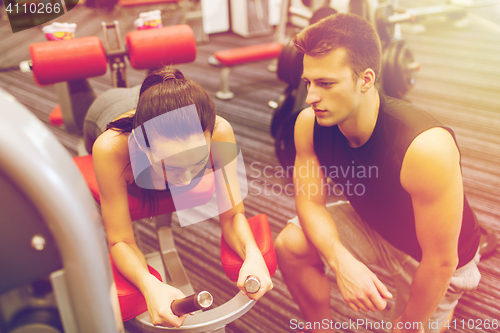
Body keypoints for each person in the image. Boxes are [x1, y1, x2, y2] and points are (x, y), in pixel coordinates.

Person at [274, 13, 481, 333]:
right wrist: (340, 260)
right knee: (292, 243)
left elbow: (441, 261)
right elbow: (310, 204)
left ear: (366, 79)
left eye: (326, 84)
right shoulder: (309, 125)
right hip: (378, 227)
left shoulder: (425, 147)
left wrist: (409, 324)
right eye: (308, 83)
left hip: (437, 258)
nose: (312, 97)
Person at [85, 67, 273, 328]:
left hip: (157, 102)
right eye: (171, 167)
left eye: (198, 163)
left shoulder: (220, 131)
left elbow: (233, 216)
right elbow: (119, 241)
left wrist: (252, 254)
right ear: (141, 147)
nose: (185, 181)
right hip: (105, 108)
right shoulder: (111, 146)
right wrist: (150, 285)